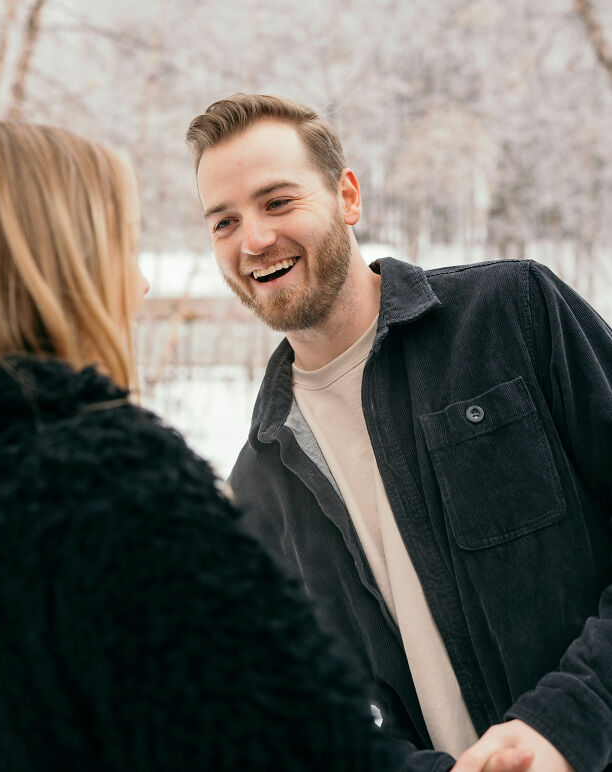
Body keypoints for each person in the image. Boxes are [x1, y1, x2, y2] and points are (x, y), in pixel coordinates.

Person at [0, 118, 440, 771]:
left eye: (279, 201)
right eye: (115, 248)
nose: (138, 286)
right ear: (46, 270)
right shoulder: (104, 489)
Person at [186, 93, 612, 772]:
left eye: (277, 202)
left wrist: (570, 721)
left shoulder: (512, 316)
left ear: (346, 196)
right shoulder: (257, 491)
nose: (253, 240)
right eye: (223, 222)